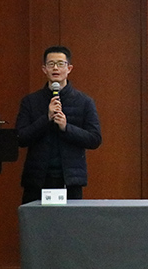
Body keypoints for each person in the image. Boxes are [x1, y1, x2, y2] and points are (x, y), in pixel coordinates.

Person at [16, 46, 102, 204]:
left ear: (69, 68)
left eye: (60, 64)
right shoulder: (30, 101)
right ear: (44, 69)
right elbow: (20, 138)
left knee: (69, 220)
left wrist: (66, 128)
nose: (55, 68)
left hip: (70, 179)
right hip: (37, 178)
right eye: (51, 64)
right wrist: (46, 119)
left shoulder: (84, 102)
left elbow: (94, 139)